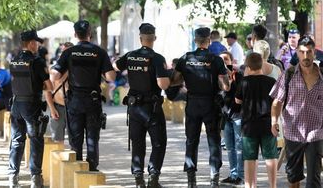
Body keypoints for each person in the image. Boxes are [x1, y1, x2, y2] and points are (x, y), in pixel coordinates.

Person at [50, 20, 116, 172]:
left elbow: (55, 76)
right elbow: (111, 77)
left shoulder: (68, 53)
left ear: (75, 34)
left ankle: (77, 170)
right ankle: (92, 169)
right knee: (92, 137)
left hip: (75, 101)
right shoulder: (99, 52)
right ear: (90, 34)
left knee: (75, 138)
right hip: (93, 100)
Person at [172, 27, 230, 187]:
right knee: (214, 140)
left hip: (192, 104)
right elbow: (226, 86)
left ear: (195, 40)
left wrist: (187, 80)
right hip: (211, 104)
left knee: (191, 140)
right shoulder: (216, 59)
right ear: (209, 40)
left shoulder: (186, 58)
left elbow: (175, 80)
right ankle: (214, 178)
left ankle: (191, 180)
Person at [114, 23, 170, 188]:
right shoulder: (157, 58)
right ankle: (153, 177)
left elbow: (115, 67)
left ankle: (138, 178)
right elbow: (163, 85)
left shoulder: (130, 56)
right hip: (152, 108)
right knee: (158, 142)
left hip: (134, 108)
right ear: (154, 38)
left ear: (140, 38)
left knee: (138, 142)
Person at [270, 36, 323, 188]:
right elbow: (277, 102)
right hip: (293, 132)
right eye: (302, 52)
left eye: (309, 52)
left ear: (314, 53)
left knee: (314, 180)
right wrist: (273, 121)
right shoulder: (288, 75)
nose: (305, 56)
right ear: (297, 53)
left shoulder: (322, 76)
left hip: (316, 133)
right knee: (293, 178)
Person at [8, 30, 58, 188]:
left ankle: (12, 177)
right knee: (36, 140)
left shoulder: (14, 60)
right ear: (30, 43)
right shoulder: (36, 61)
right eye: (36, 42)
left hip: (16, 105)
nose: (37, 44)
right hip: (31, 105)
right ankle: (36, 178)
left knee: (16, 141)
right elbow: (49, 86)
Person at [235, 53, 278, 188]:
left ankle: (250, 186)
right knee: (270, 157)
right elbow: (277, 102)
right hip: (267, 124)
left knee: (250, 159)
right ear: (261, 65)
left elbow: (237, 100)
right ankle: (273, 185)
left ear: (248, 66)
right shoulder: (271, 81)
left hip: (249, 125)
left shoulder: (244, 82)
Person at [219, 51, 244, 185]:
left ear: (231, 61)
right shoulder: (218, 76)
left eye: (226, 59)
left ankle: (240, 175)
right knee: (229, 147)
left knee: (240, 146)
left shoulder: (238, 75)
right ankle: (233, 174)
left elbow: (240, 93)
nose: (223, 62)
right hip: (226, 116)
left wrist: (230, 78)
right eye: (221, 60)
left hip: (238, 115)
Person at [49, 42, 74, 143]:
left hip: (74, 108)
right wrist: (51, 108)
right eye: (63, 52)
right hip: (58, 107)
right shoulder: (54, 70)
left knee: (75, 141)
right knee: (57, 141)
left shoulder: (78, 69)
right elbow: (48, 91)